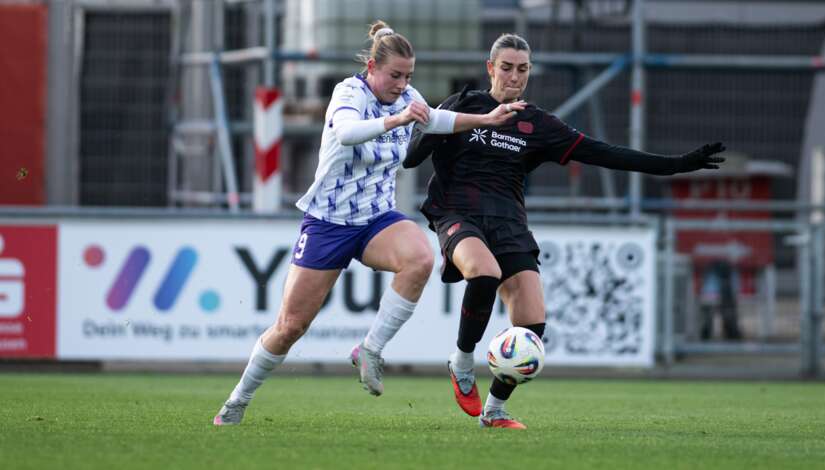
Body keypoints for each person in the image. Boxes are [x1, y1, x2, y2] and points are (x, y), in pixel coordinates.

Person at [404, 33, 726, 429]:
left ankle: (494, 410)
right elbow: (412, 158)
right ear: (490, 68)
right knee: (483, 272)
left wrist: (675, 165)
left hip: (507, 221)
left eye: (523, 69)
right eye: (506, 68)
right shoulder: (464, 105)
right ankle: (462, 361)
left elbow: (605, 153)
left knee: (532, 323)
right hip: (457, 212)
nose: (514, 76)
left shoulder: (537, 124)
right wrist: (433, 124)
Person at [213, 21, 525, 426]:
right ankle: (237, 400)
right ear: (372, 67)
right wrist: (396, 121)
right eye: (395, 75)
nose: (402, 85)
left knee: (419, 258)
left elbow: (435, 121)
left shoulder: (407, 97)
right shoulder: (350, 92)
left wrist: (486, 119)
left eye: (408, 76)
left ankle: (370, 349)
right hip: (328, 222)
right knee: (290, 326)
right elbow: (346, 133)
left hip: (376, 219)